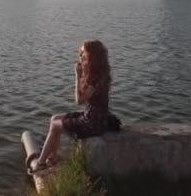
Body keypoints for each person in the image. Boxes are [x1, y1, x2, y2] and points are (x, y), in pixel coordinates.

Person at [27, 40, 121, 173]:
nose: (80, 56)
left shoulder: (95, 79)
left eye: (84, 54)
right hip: (95, 117)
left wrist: (77, 76)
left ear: (93, 57)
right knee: (54, 118)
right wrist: (83, 72)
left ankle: (40, 163)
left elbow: (79, 101)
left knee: (55, 126)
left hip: (93, 123)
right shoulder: (99, 73)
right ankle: (52, 158)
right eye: (80, 53)